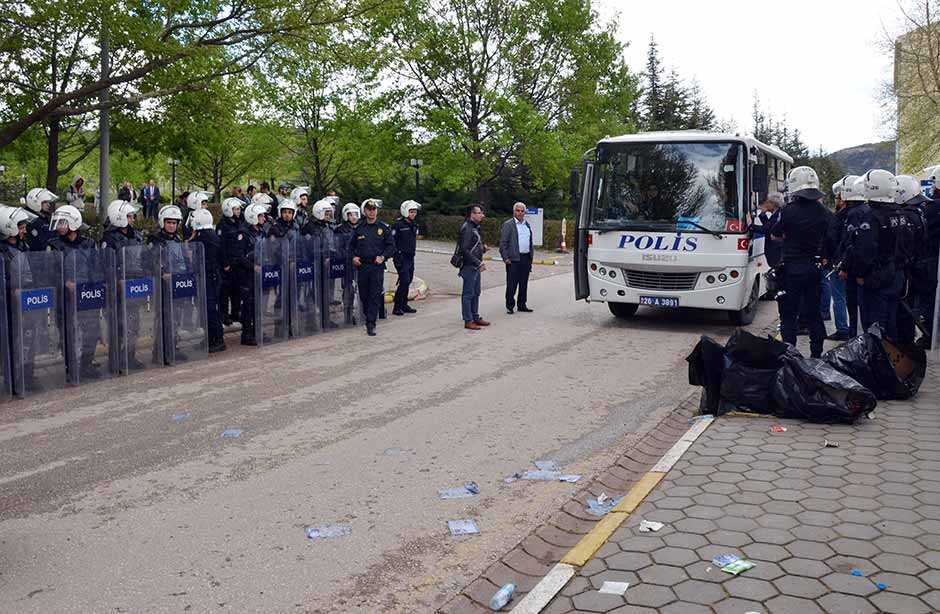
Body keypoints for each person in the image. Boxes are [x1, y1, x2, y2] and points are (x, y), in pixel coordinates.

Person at [772, 166, 829, 358]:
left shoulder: (788, 211)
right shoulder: (824, 212)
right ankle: (816, 353)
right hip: (814, 267)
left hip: (792, 268)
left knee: (789, 313)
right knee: (814, 313)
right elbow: (832, 237)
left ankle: (790, 353)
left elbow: (775, 234)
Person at [46, 205, 102, 378]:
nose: (59, 227)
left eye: (62, 222)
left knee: (91, 331)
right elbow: (48, 272)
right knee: (67, 332)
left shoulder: (89, 244)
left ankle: (86, 364)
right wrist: (64, 282)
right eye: (58, 223)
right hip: (65, 297)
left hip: (87, 295)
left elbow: (97, 268)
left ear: (73, 223)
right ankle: (71, 367)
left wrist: (95, 287)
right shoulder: (53, 245)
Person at [854, 169, 905, 341]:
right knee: (891, 323)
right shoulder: (900, 213)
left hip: (876, 278)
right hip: (896, 274)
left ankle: (878, 364)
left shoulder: (871, 216)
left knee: (874, 325)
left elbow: (865, 250)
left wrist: (860, 273)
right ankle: (893, 362)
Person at [101, 201, 146, 370]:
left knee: (134, 325)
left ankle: (130, 357)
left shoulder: (137, 236)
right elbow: (106, 264)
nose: (133, 219)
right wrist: (117, 280)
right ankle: (116, 360)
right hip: (117, 291)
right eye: (129, 216)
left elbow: (144, 258)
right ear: (119, 218)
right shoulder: (109, 239)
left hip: (135, 287)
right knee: (119, 326)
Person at [0, 206, 35, 390]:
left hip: (26, 303)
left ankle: (27, 377)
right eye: (21, 227)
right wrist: (12, 289)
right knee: (12, 345)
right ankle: (13, 381)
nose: (25, 231)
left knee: (28, 341)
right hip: (8, 306)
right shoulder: (2, 252)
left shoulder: (22, 246)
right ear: (9, 227)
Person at [894, 174, 930, 345]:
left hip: (908, 270)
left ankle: (905, 344)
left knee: (903, 312)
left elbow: (902, 247)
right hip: (918, 266)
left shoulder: (906, 216)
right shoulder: (919, 212)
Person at [351, 199, 395, 336]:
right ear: (364, 211)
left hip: (376, 267)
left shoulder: (383, 228)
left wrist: (383, 257)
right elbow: (350, 247)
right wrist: (353, 257)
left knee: (374, 295)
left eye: (374, 209)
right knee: (364, 295)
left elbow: (391, 247)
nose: (372, 211)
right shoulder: (359, 228)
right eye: (369, 209)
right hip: (363, 267)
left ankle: (371, 323)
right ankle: (368, 316)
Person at [821, 177, 854, 342]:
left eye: (837, 197)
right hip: (855, 264)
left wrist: (827, 258)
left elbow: (831, 239)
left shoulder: (839, 217)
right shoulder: (862, 213)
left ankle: (842, 329)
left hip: (838, 263)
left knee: (839, 297)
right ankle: (854, 329)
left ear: (842, 200)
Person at [188, 209, 226, 353]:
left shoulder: (203, 237)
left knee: (209, 310)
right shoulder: (211, 235)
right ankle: (210, 338)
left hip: (208, 278)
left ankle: (218, 340)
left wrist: (190, 240)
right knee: (207, 309)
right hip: (211, 277)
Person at [232, 203, 268, 345]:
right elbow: (239, 256)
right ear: (253, 217)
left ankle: (256, 331)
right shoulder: (243, 234)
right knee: (248, 305)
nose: (264, 219)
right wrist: (253, 267)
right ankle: (246, 335)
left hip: (257, 274)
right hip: (247, 275)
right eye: (261, 216)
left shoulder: (260, 232)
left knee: (257, 304)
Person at [457, 203, 490, 330]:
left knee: (476, 292)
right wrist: (478, 262)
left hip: (475, 265)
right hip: (469, 266)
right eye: (479, 212)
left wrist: (483, 249)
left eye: (482, 212)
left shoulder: (475, 227)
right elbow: (464, 250)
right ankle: (468, 319)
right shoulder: (467, 228)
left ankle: (475, 316)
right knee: (468, 293)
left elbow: (473, 247)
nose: (482, 215)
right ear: (472, 214)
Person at [500, 202, 534, 314]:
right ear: (514, 211)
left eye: (522, 211)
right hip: (513, 259)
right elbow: (503, 243)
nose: (520, 213)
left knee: (523, 283)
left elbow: (529, 242)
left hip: (526, 258)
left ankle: (522, 304)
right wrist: (505, 258)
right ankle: (510, 305)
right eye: (518, 210)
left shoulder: (527, 225)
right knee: (512, 284)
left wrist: (531, 258)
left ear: (525, 212)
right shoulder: (508, 225)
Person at [392, 200, 421, 315]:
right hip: (401, 257)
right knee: (403, 281)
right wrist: (395, 255)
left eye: (414, 212)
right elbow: (392, 241)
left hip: (410, 257)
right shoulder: (398, 225)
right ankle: (397, 307)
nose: (413, 214)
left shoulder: (414, 224)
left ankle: (404, 305)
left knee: (408, 281)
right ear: (405, 211)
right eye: (411, 211)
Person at [218, 197, 244, 325]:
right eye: (236, 209)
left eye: (239, 209)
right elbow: (221, 246)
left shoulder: (239, 222)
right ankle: (224, 315)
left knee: (237, 290)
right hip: (228, 263)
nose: (238, 211)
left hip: (238, 262)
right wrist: (225, 263)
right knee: (225, 290)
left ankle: (235, 312)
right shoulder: (223, 225)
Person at [23, 187, 58, 252]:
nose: (48, 205)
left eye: (48, 202)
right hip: (40, 257)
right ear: (35, 202)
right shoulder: (31, 221)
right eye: (45, 202)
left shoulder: (43, 217)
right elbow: (40, 244)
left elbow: (53, 236)